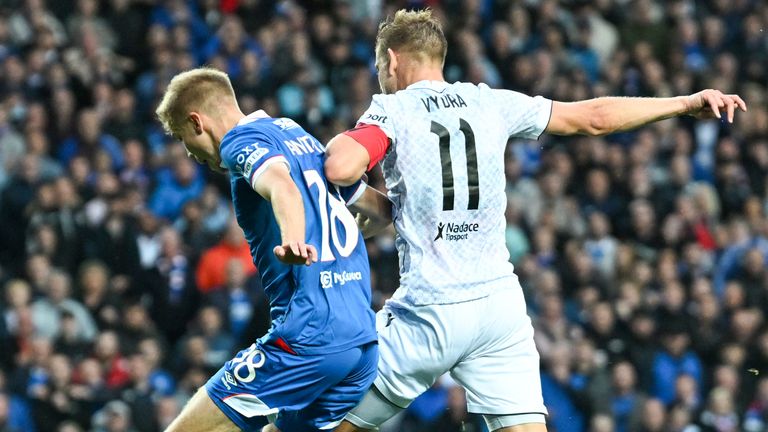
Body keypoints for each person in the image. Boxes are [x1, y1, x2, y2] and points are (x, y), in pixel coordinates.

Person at [323, 9, 747, 432]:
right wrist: (685, 104)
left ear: (393, 60)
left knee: (325, 422)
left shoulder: (392, 109)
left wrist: (342, 157)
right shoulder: (491, 101)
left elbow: (341, 168)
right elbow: (593, 118)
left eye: (381, 67)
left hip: (429, 309)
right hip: (498, 311)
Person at [154, 67, 390, 432]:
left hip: (311, 336)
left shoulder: (237, 143)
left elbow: (281, 186)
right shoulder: (299, 136)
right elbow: (379, 210)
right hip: (361, 341)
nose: (193, 157)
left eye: (188, 143)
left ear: (196, 121)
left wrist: (294, 237)